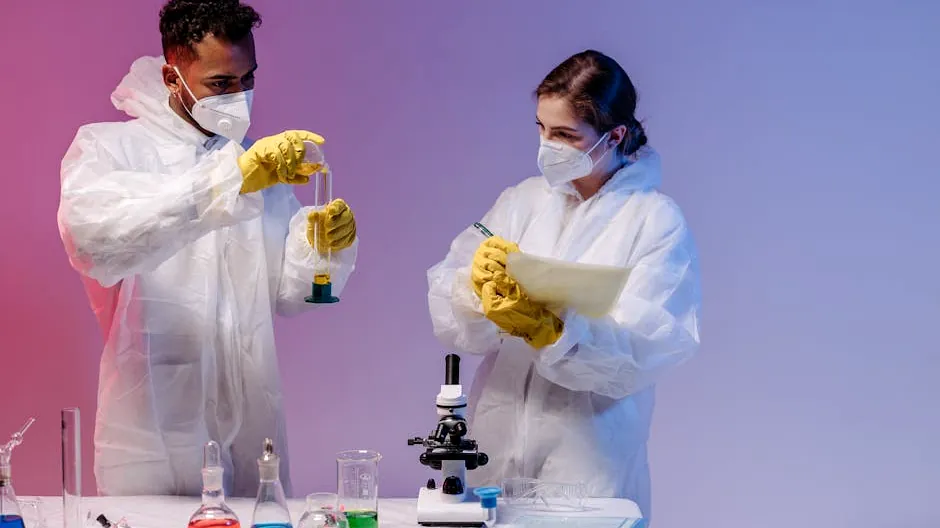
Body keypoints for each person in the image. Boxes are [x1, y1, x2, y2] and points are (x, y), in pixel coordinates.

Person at [57, 0, 358, 497]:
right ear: (172, 77)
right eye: (220, 84)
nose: (239, 96)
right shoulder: (111, 150)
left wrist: (318, 246)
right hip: (149, 438)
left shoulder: (251, 167)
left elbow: (287, 294)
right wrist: (229, 183)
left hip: (250, 435)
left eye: (248, 79)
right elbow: (96, 241)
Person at [427, 50, 701, 519]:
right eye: (541, 128)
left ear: (614, 135)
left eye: (565, 135)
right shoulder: (522, 202)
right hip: (497, 442)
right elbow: (451, 311)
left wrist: (555, 332)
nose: (546, 146)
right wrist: (477, 293)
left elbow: (645, 349)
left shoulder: (655, 222)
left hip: (589, 458)